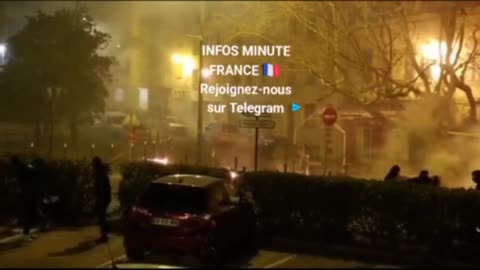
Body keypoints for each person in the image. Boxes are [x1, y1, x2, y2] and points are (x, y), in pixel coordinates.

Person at [10, 155, 38, 241]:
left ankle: (27, 232)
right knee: (28, 214)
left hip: (26, 193)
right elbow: (31, 172)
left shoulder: (19, 168)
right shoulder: (21, 168)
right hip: (27, 193)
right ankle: (26, 233)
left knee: (29, 214)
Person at [92, 156, 111, 243]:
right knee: (101, 216)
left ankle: (104, 236)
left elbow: (101, 187)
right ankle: (104, 234)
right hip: (104, 197)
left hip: (103, 197)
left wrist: (100, 198)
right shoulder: (100, 172)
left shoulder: (100, 173)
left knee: (102, 216)